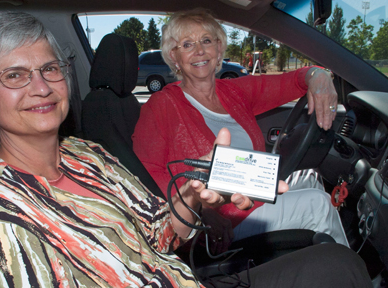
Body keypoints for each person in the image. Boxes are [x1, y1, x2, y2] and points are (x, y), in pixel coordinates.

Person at [0, 11, 371, 287]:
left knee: (340, 265)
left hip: (181, 275)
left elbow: (156, 230)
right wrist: (212, 215)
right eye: (14, 76)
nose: (41, 86)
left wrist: (192, 196)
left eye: (48, 69)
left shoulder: (84, 154)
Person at [132, 8, 349, 250]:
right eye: (187, 44)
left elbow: (294, 81)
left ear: (219, 48)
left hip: (255, 190)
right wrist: (200, 210)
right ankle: (349, 273)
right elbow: (146, 175)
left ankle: (317, 261)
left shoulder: (234, 91)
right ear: (174, 56)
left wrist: (319, 75)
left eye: (206, 40)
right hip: (223, 215)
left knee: (310, 177)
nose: (199, 50)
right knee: (318, 204)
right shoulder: (161, 105)